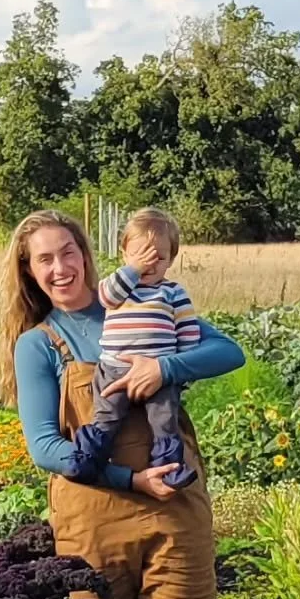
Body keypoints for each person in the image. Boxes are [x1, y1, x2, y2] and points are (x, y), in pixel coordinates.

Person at [0, 208, 244, 599]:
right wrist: (132, 482)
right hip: (94, 524)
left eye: (69, 252)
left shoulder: (143, 304)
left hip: (175, 513)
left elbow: (229, 351)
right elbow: (46, 449)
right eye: (45, 259)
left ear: (87, 255)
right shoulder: (39, 343)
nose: (61, 268)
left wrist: (164, 367)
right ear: (29, 272)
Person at [67, 207, 199, 491]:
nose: (149, 265)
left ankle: (169, 469)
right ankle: (90, 457)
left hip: (159, 373)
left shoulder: (172, 292)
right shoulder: (119, 287)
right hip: (115, 368)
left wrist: (179, 371)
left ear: (172, 259)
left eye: (159, 258)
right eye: (141, 257)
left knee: (164, 420)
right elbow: (104, 296)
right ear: (124, 254)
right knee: (107, 415)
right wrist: (133, 271)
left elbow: (188, 332)